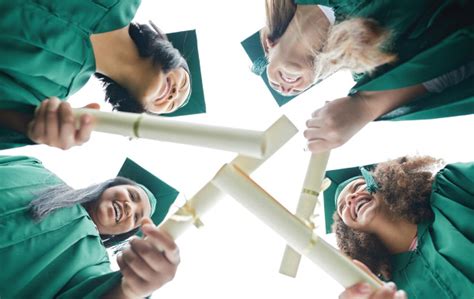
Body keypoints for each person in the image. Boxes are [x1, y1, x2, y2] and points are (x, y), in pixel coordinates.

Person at [242, 0, 474, 152]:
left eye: (273, 80)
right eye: (289, 91)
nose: (284, 88)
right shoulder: (373, 64)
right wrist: (366, 106)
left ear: (268, 43)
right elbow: (462, 57)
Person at [0, 0, 205, 150]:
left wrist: (26, 126)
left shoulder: (48, 94)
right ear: (173, 52)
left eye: (171, 105)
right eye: (183, 84)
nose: (174, 95)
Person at [0, 156, 182, 298]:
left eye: (136, 217)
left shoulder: (93, 262)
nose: (129, 208)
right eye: (132, 196)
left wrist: (131, 291)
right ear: (110, 186)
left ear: (123, 234)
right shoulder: (33, 169)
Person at [321, 156, 474, 298]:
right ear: (348, 231)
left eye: (358, 186)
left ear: (385, 183)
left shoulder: (451, 190)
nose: (350, 198)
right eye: (342, 208)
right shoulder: (386, 290)